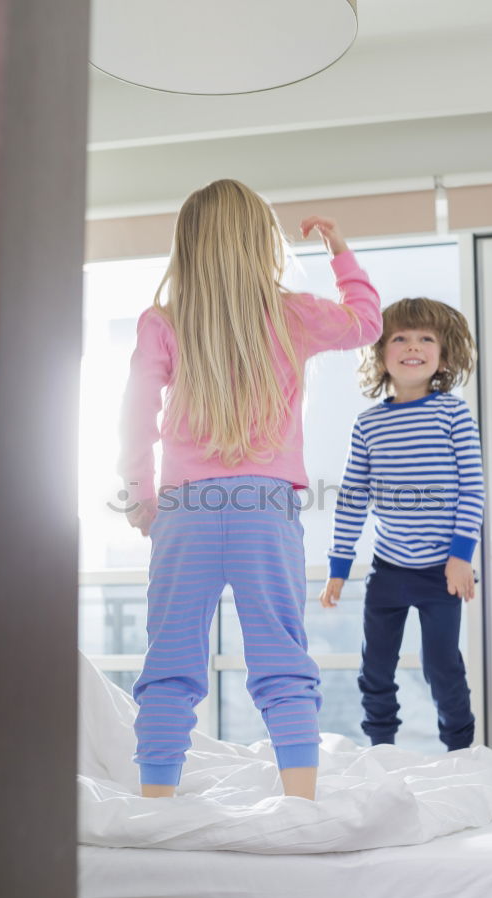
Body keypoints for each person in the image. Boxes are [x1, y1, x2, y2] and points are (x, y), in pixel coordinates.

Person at [118, 179, 382, 800]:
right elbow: (367, 324)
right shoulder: (293, 312)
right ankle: (300, 802)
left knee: (171, 660)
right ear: (262, 242)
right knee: (280, 653)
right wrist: (340, 250)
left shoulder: (162, 320)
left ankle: (154, 802)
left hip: (186, 509)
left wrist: (137, 494)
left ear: (187, 245)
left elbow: (135, 414)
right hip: (265, 506)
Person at [320, 298, 484, 751]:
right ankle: (382, 751)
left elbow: (472, 490)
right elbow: (352, 498)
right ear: (380, 353)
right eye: (400, 338)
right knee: (375, 669)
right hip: (389, 570)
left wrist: (460, 557)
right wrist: (338, 566)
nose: (413, 346)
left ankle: (461, 752)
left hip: (441, 572)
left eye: (426, 338)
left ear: (444, 356)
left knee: (442, 667)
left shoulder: (453, 414)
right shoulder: (368, 424)